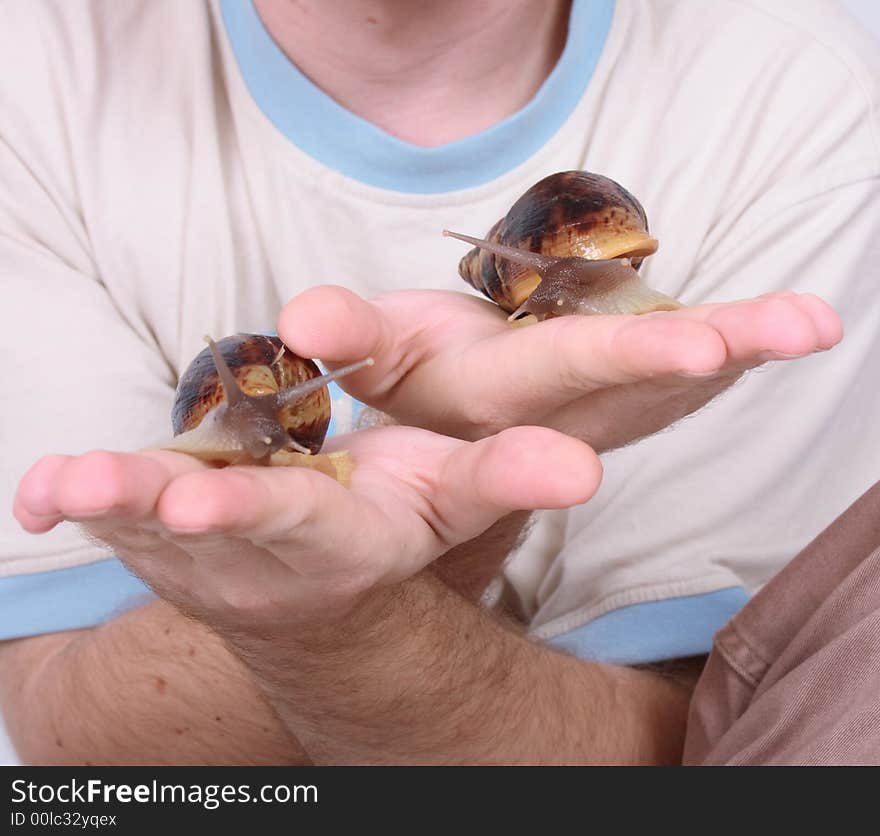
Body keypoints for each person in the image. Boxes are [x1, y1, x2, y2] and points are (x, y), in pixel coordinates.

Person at [0, 0, 877, 765]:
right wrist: (336, 596)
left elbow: (703, 752)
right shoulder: (33, 77)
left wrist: (337, 618)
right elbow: (81, 759)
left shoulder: (799, 101)